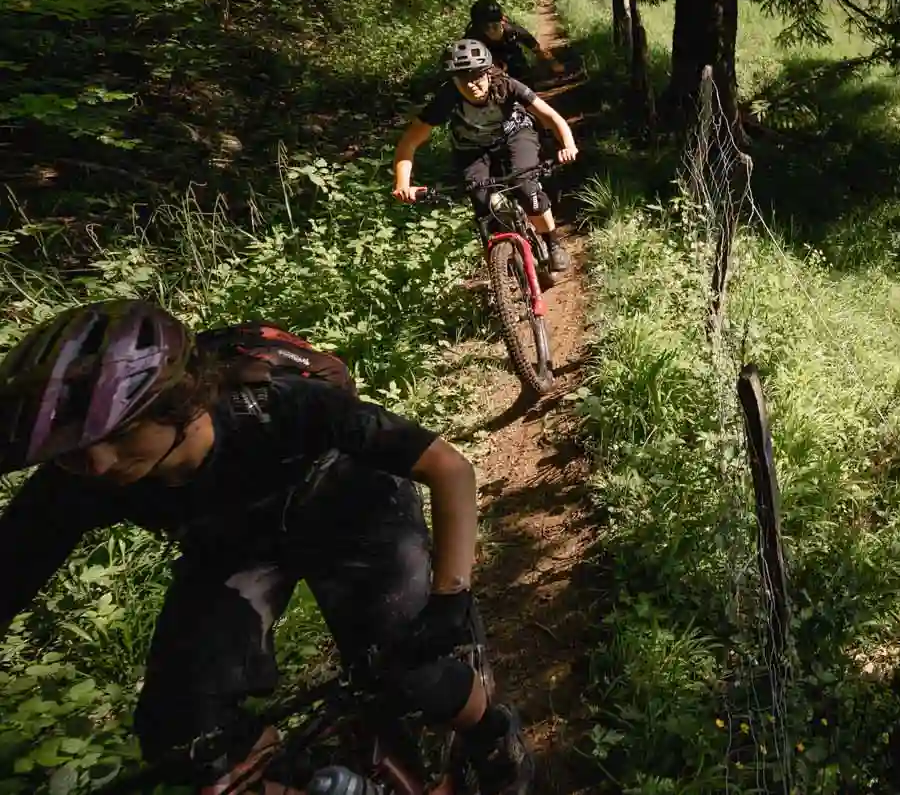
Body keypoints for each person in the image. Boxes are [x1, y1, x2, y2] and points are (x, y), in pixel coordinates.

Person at [0, 299, 533, 795]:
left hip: (350, 503)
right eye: (70, 453)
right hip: (233, 546)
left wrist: (450, 600)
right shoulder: (78, 480)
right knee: (180, 728)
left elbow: (448, 467)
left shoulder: (276, 405)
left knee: (411, 667)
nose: (94, 464)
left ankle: (491, 732)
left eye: (117, 435)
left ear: (177, 404)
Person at [392, 40, 577, 275]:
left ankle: (552, 242)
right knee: (482, 204)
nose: (471, 85)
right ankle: (501, 273)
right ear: (453, 80)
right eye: (462, 79)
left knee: (526, 187)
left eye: (477, 76)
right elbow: (410, 142)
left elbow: (550, 116)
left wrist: (568, 145)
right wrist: (402, 183)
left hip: (515, 135)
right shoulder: (447, 98)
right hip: (472, 149)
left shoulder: (508, 85)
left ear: (488, 72)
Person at [465, 0, 549, 83]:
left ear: (502, 21)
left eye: (495, 26)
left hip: (513, 63)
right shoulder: (471, 39)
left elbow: (536, 47)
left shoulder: (512, 31)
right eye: (485, 27)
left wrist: (551, 64)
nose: (490, 30)